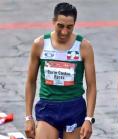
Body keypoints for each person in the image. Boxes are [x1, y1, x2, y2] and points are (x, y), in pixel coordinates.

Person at [24, 2, 96, 139]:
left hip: (74, 108)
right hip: (47, 108)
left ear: (75, 24)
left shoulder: (84, 46)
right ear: (53, 21)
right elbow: (30, 81)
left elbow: (92, 86)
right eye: (60, 26)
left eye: (70, 27)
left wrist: (88, 119)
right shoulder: (40, 44)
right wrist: (28, 117)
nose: (64, 32)